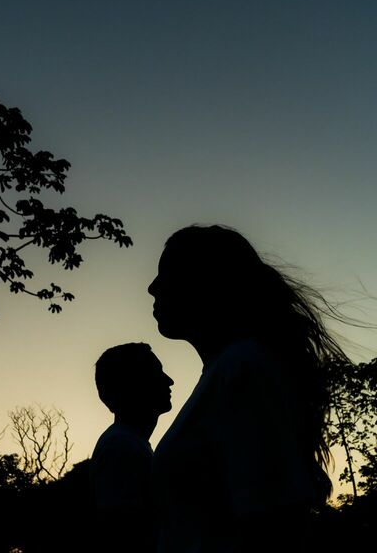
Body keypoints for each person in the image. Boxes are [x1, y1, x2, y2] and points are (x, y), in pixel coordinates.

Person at [149, 225, 352, 553]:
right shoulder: (228, 370)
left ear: (208, 282)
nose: (152, 287)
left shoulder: (241, 367)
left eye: (167, 274)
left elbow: (272, 524)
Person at [91, 342, 175, 553]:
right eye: (157, 373)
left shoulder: (128, 443)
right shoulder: (122, 447)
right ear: (133, 385)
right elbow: (125, 534)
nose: (169, 381)